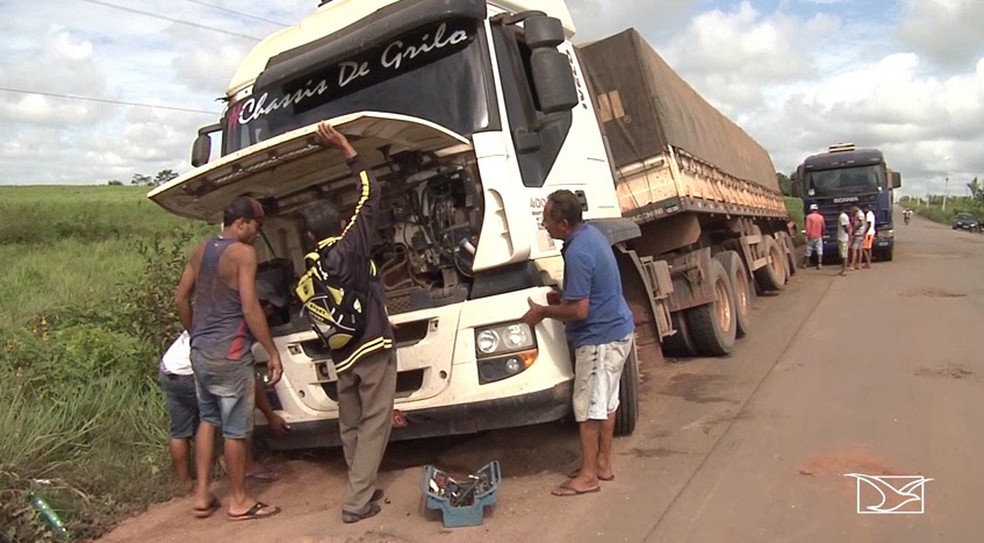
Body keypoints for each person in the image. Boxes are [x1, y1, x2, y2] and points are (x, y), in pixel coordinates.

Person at [297, 122, 395, 524]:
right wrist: (346, 149)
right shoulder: (349, 247)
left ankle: (363, 487)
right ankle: (356, 502)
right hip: (372, 346)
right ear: (340, 225)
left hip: (342, 354)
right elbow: (370, 193)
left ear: (306, 234)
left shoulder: (309, 266)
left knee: (351, 425)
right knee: (375, 423)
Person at [521, 189, 636, 497]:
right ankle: (602, 463)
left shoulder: (577, 251)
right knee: (607, 402)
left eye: (547, 219)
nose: (544, 224)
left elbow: (580, 310)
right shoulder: (591, 236)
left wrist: (544, 311)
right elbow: (586, 294)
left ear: (564, 223)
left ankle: (587, 477)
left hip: (599, 339)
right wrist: (564, 298)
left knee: (586, 408)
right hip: (618, 332)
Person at [175, 196, 283, 521]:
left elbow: (180, 298)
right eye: (256, 226)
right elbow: (250, 308)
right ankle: (239, 501)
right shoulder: (243, 254)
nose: (256, 232)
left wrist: (196, 334)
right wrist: (272, 351)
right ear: (241, 223)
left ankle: (202, 494)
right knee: (236, 429)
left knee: (209, 420)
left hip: (201, 353)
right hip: (230, 353)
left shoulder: (200, 250)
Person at [802, 204, 825, 270]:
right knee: (819, 250)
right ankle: (819, 264)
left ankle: (805, 264)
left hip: (811, 236)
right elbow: (823, 227)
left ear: (811, 209)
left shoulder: (809, 217)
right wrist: (822, 234)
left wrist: (806, 235)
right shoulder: (821, 217)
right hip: (818, 236)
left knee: (808, 250)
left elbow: (808, 227)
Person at [849, 205, 867, 271]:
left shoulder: (859, 214)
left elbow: (861, 223)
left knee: (854, 249)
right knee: (860, 249)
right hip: (861, 233)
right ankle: (859, 265)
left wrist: (855, 229)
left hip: (858, 233)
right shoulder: (860, 213)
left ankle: (852, 265)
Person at [837, 205, 851, 276]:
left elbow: (846, 227)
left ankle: (844, 270)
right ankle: (843, 269)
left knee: (844, 255)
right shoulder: (844, 216)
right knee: (843, 254)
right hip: (843, 237)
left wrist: (849, 234)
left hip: (843, 238)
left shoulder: (842, 216)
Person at [861, 204, 876, 268]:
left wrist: (865, 233)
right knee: (868, 248)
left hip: (869, 233)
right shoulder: (871, 214)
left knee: (865, 248)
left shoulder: (869, 215)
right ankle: (868, 262)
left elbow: (869, 224)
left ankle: (868, 263)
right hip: (870, 233)